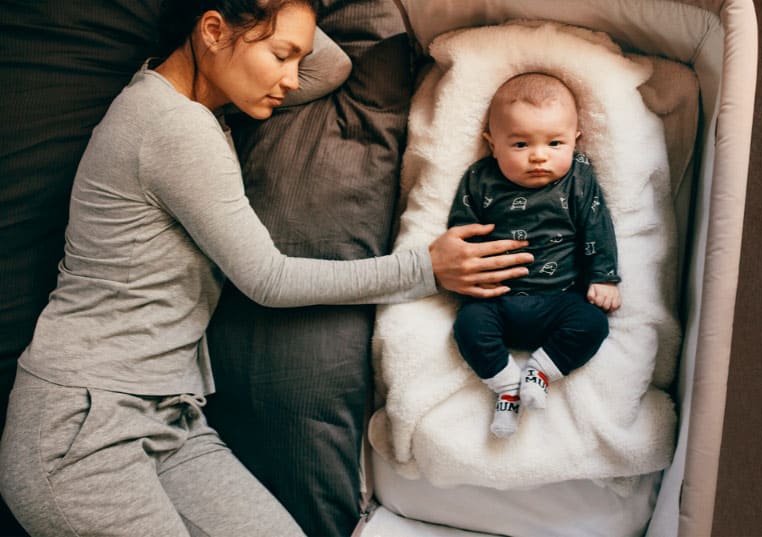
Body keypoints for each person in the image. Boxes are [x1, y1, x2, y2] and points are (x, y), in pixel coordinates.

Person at [0, 1, 534, 536]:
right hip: (84, 427)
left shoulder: (202, 105)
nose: (290, 77)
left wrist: (288, 22)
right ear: (211, 29)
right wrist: (425, 269)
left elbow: (330, 68)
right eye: (281, 56)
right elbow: (269, 280)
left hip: (169, 418)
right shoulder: (171, 126)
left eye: (293, 56)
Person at [448, 72, 622, 438]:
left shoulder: (578, 177)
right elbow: (461, 234)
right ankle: (507, 386)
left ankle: (539, 371)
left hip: (560, 299)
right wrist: (470, 278)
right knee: (467, 327)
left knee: (593, 324)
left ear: (576, 140)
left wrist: (603, 276)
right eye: (521, 145)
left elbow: (597, 225)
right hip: (497, 299)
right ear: (492, 144)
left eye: (555, 143)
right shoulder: (479, 179)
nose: (539, 156)